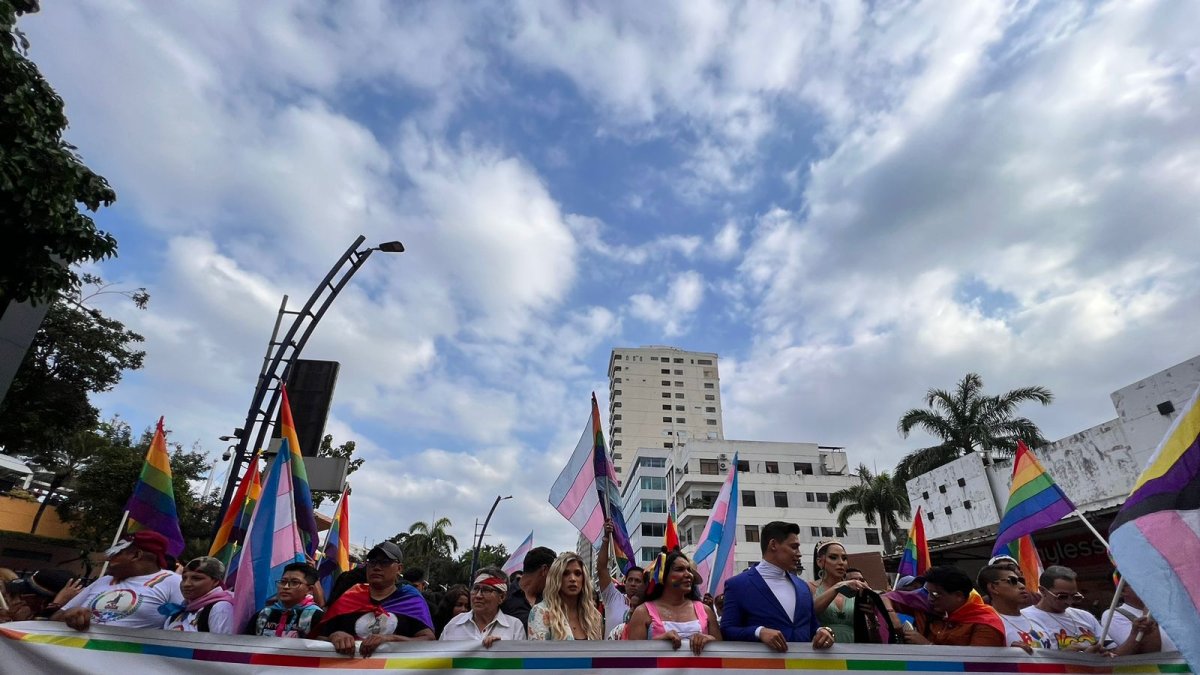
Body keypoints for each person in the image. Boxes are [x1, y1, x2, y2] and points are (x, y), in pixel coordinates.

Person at [721, 521, 835, 651]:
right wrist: (759, 632)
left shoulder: (803, 587)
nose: (799, 553)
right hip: (762, 668)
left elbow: (812, 626)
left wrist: (823, 631)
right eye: (794, 547)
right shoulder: (737, 585)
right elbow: (727, 630)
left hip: (804, 667)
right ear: (773, 545)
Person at [319, 542, 434, 657]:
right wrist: (334, 636)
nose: (377, 567)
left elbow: (429, 640)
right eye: (372, 562)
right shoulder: (350, 597)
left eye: (385, 562)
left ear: (399, 568)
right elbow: (319, 638)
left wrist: (392, 639)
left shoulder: (410, 600)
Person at [53, 531, 184, 630]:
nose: (108, 559)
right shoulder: (103, 580)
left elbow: (183, 630)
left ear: (136, 555)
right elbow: (54, 619)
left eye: (116, 553)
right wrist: (69, 615)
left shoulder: (174, 583)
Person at [625, 551, 721, 654]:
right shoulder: (642, 612)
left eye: (688, 570)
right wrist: (659, 642)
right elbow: (633, 658)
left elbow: (724, 650)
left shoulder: (705, 610)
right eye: (679, 569)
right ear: (663, 576)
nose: (688, 574)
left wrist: (710, 640)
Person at [891, 565, 1005, 646]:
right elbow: (885, 597)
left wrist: (927, 646)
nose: (929, 599)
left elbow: (976, 665)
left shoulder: (986, 622)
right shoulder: (936, 613)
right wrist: (890, 613)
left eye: (935, 594)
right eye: (927, 592)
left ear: (958, 596)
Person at [1022, 566, 1113, 652]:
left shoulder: (1085, 616)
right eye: (1062, 596)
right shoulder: (1025, 618)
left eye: (1074, 596)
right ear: (1043, 591)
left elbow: (1112, 651)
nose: (1069, 601)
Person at [440, 568, 526, 647]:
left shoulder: (514, 627)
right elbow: (441, 657)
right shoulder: (454, 624)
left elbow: (519, 661)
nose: (478, 595)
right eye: (475, 589)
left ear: (501, 597)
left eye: (486, 590)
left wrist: (500, 649)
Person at [527, 552, 603, 640]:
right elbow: (537, 652)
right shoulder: (541, 612)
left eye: (577, 573)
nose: (573, 579)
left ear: (584, 578)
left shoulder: (594, 616)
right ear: (556, 578)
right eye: (565, 573)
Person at [977, 564, 1050, 650]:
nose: (1022, 586)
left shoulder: (1037, 616)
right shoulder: (987, 626)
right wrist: (1009, 655)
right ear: (993, 588)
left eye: (1021, 581)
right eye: (1013, 581)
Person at [809, 540, 870, 643]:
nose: (841, 562)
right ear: (820, 562)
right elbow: (808, 613)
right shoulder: (809, 587)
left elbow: (867, 627)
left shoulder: (856, 589)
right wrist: (837, 587)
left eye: (844, 558)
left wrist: (872, 618)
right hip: (822, 648)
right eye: (833, 557)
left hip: (854, 649)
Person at [1101, 578, 1176, 655]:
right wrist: (1149, 605)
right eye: (1141, 582)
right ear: (1123, 591)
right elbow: (1144, 650)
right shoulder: (1113, 615)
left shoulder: (1168, 609)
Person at [597, 520, 646, 635]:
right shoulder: (612, 597)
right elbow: (602, 569)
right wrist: (606, 539)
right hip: (611, 653)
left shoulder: (649, 606)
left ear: (645, 584)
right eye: (630, 580)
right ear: (625, 581)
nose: (633, 583)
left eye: (638, 581)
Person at [162, 556, 235, 633]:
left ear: (215, 581)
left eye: (196, 578)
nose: (186, 584)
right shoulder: (177, 613)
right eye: (184, 578)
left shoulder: (220, 608)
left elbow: (220, 644)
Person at [250, 562, 324, 638]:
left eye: (295, 582)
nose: (286, 587)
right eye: (283, 581)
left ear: (309, 589)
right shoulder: (262, 615)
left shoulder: (317, 616)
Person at [501, 546, 555, 629]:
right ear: (544, 570)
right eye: (554, 573)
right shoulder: (503, 596)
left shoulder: (552, 601)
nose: (556, 578)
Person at [3, 569, 84, 622]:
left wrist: (54, 606)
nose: (23, 598)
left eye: (26, 593)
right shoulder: (24, 614)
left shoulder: (72, 622)